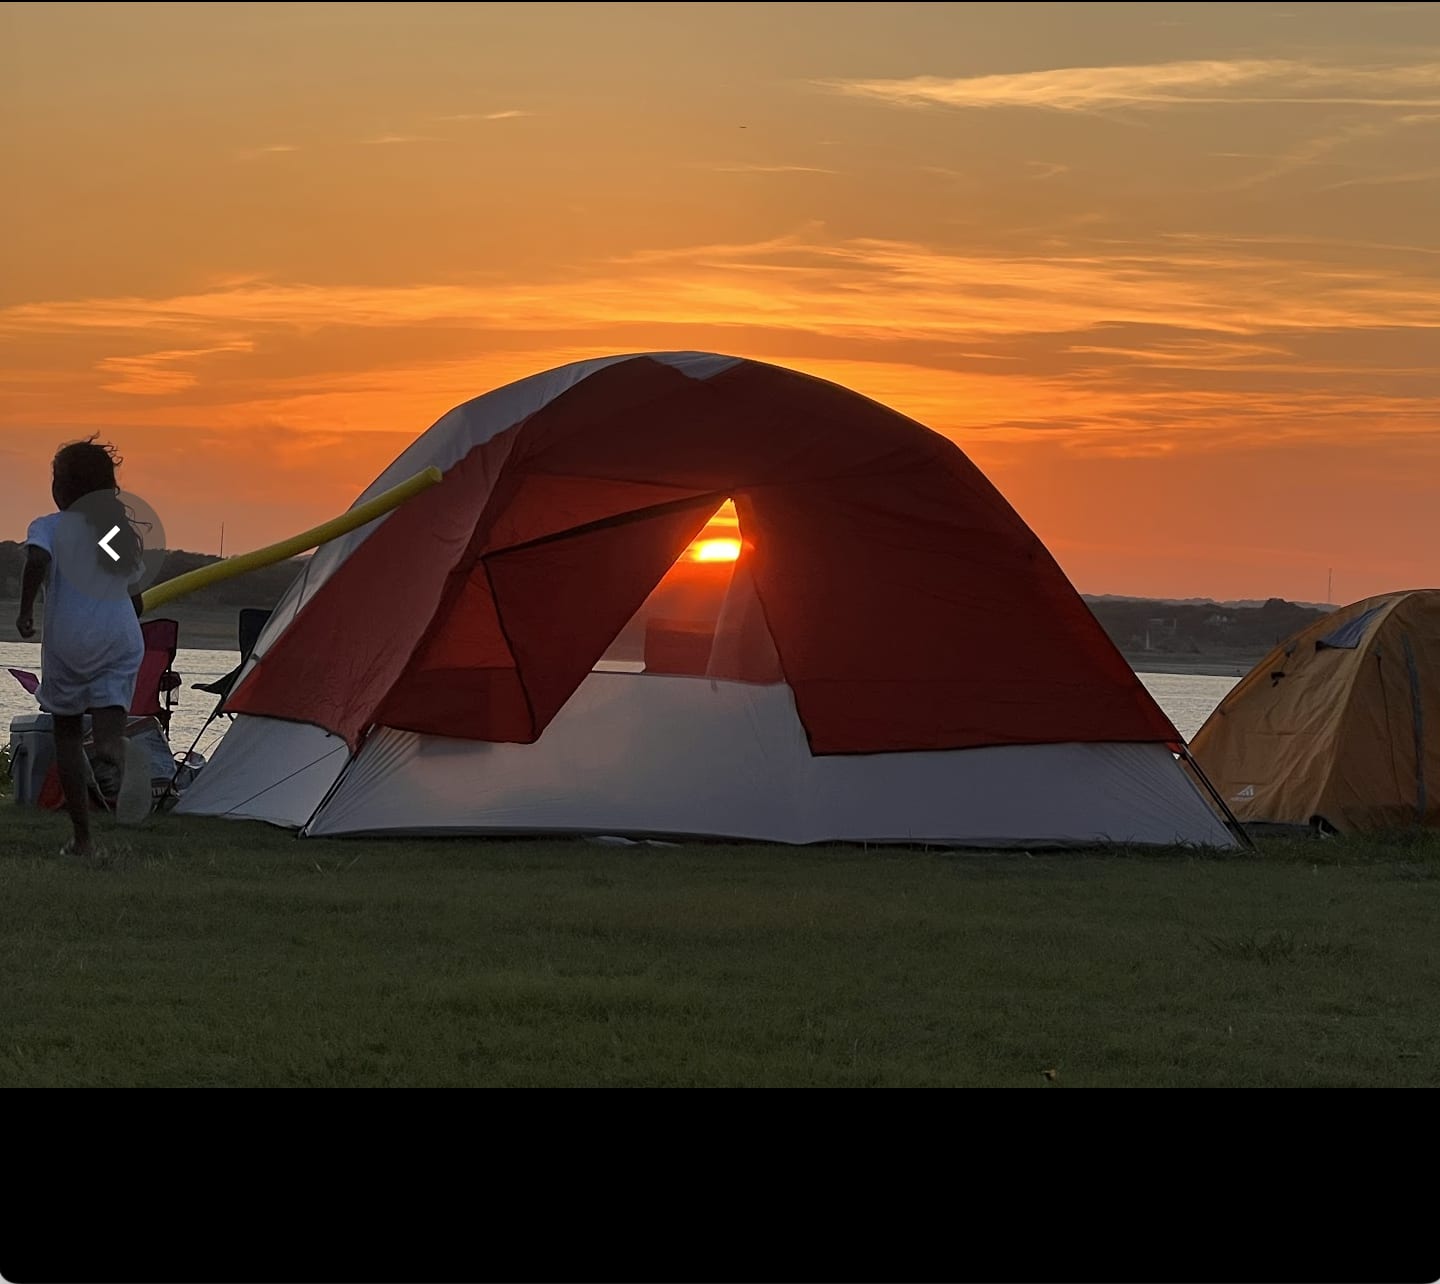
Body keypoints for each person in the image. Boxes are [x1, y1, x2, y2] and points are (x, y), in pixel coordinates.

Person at [14, 438, 151, 857]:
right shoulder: (111, 535)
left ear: (63, 489)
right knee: (107, 735)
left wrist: (25, 612)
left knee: (68, 735)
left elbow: (37, 561)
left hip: (72, 641)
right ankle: (118, 752)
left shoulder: (51, 526)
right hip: (122, 638)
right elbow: (135, 595)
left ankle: (84, 840)